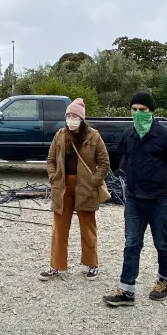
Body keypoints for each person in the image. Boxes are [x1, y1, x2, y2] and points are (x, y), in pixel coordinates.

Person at [103, 91, 167, 307]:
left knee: (162, 243)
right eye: (135, 109)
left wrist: (160, 180)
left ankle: (164, 281)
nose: (138, 113)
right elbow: (122, 159)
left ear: (151, 111)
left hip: (159, 200)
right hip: (134, 200)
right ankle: (126, 290)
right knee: (131, 244)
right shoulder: (129, 135)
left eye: (143, 110)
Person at [40, 98, 110, 282]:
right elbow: (50, 160)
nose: (71, 118)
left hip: (86, 188)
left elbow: (104, 162)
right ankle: (55, 266)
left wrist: (95, 180)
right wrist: (53, 176)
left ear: (81, 118)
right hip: (62, 187)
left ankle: (92, 264)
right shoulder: (60, 135)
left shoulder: (93, 136)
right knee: (59, 229)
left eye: (74, 115)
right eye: (68, 115)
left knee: (88, 228)